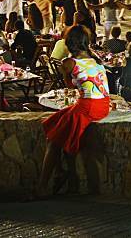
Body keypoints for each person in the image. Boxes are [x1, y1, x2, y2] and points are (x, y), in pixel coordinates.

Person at [32, 25, 110, 199]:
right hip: (103, 104)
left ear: (69, 43)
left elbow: (69, 85)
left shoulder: (69, 63)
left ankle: (43, 185)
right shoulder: (97, 60)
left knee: (53, 140)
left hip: (87, 106)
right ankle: (68, 177)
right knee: (57, 123)